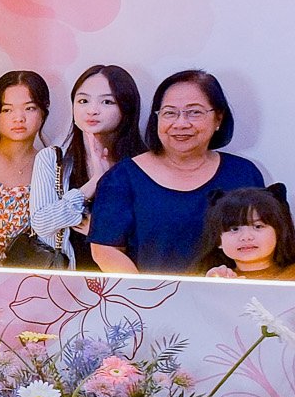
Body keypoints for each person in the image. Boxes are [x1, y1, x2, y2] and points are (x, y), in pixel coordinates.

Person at [90, 70, 264, 275]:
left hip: (229, 293)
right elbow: (105, 250)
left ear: (218, 118)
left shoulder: (243, 174)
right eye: (170, 113)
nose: (181, 124)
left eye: (194, 112)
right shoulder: (122, 178)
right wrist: (144, 291)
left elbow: (266, 243)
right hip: (148, 294)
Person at [27, 64, 143, 269]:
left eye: (107, 101)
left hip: (123, 278)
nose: (92, 110)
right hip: (70, 280)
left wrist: (101, 232)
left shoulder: (143, 163)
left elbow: (155, 236)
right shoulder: (53, 158)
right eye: (83, 101)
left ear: (127, 109)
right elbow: (41, 223)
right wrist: (93, 183)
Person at [0, 70, 48, 263]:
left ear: (43, 111)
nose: (19, 118)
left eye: (29, 108)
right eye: (7, 110)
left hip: (11, 277)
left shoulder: (48, 169)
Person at [201, 187, 295, 281]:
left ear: (279, 233)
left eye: (258, 226)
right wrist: (212, 288)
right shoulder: (217, 279)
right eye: (234, 229)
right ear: (218, 240)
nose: (246, 237)